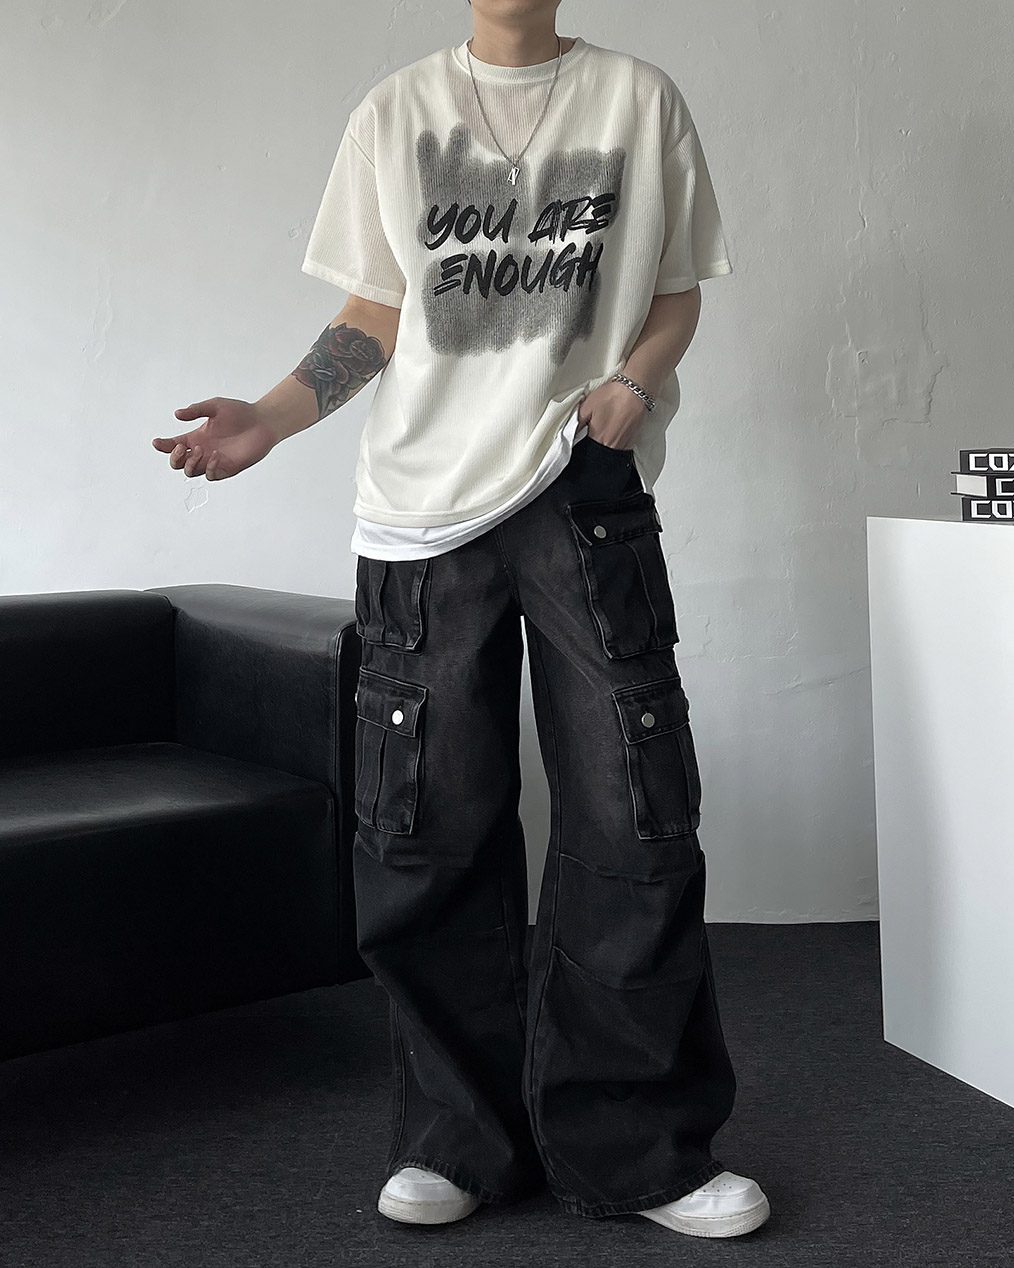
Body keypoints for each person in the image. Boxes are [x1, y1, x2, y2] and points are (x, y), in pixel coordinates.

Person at [152, 0, 770, 1242]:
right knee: (426, 825)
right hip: (422, 517)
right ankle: (458, 1134)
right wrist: (270, 416)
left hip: (582, 491)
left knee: (632, 812)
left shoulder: (638, 100)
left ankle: (638, 1145)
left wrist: (632, 384)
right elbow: (376, 315)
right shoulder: (396, 113)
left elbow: (675, 290)